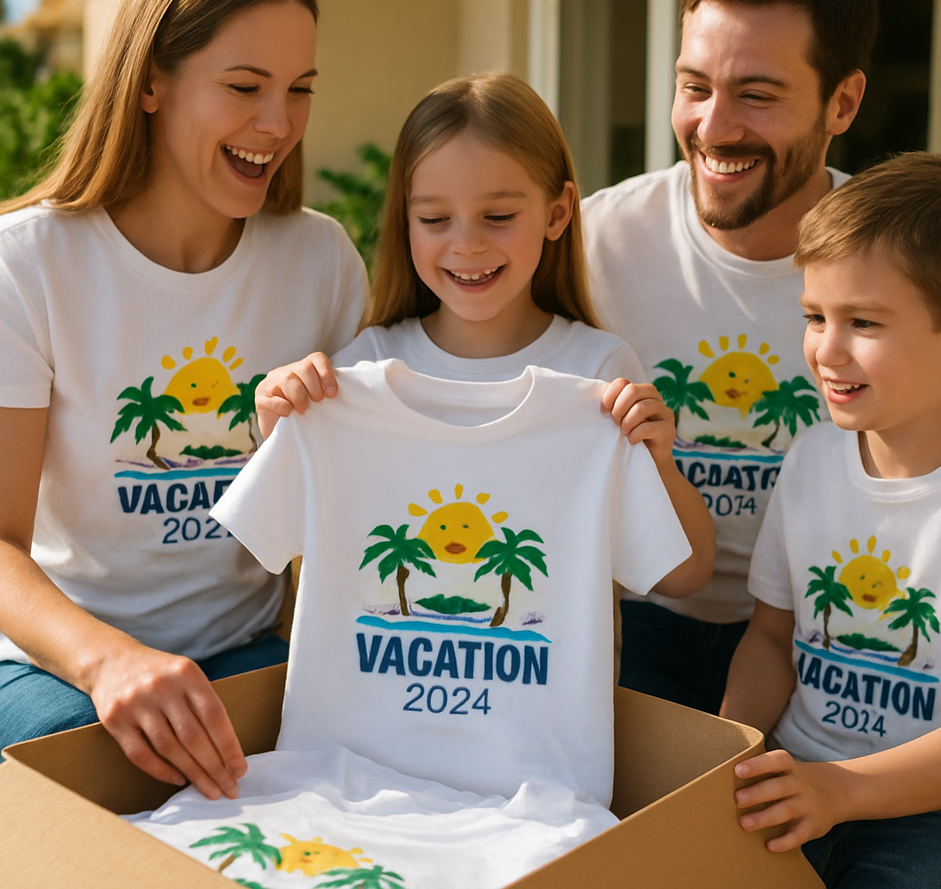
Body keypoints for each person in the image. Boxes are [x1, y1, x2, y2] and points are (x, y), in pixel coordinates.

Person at [582, 0, 941, 714]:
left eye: (757, 94)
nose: (714, 127)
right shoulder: (593, 245)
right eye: (694, 86)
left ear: (842, 103)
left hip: (841, 652)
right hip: (635, 618)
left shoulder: (923, 275)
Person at [0, 0, 367, 801]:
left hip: (244, 653)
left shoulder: (321, 261)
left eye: (300, 89)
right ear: (151, 83)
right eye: (244, 87)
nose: (278, 123)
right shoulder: (27, 263)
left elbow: (351, 521)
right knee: (105, 775)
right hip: (58, 667)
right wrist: (111, 663)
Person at [254, 73, 715, 597]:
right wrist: (283, 433)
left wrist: (659, 464)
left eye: (498, 216)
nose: (467, 244)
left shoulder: (600, 373)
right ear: (405, 220)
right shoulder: (361, 368)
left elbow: (684, 575)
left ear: (558, 213)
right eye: (434, 219)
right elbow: (296, 545)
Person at [720, 152, 941, 887]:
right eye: (814, 317)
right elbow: (770, 638)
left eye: (863, 322)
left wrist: (841, 792)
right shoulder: (810, 459)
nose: (826, 350)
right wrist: (727, 753)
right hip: (798, 778)